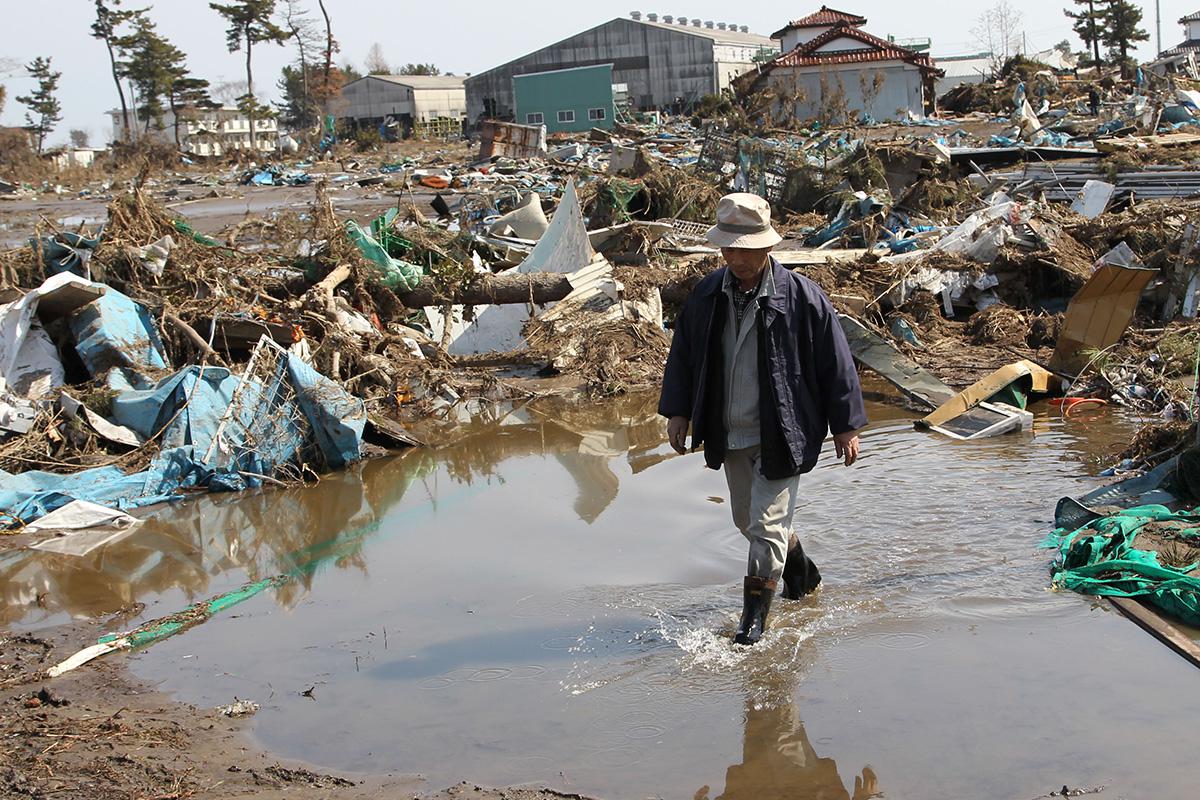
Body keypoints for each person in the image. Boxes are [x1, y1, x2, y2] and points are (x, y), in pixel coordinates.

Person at [658, 193, 867, 646]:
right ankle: (804, 576)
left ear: (766, 247)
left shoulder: (801, 298)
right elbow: (684, 356)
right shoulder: (708, 295)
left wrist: (845, 425)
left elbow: (836, 362)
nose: (734, 257)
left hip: (784, 429)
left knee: (767, 527)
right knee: (748, 522)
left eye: (743, 248)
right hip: (729, 431)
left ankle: (753, 623)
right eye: (727, 248)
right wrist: (678, 412)